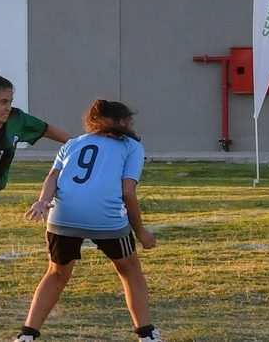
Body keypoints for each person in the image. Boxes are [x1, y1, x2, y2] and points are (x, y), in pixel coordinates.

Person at [15, 99, 163, 341]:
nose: (131, 125)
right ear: (118, 121)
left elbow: (52, 177)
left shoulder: (73, 143)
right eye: (128, 120)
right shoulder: (131, 146)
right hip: (105, 217)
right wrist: (141, 232)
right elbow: (128, 192)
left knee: (56, 273)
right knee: (130, 270)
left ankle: (27, 335)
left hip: (63, 214)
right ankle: (146, 334)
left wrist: (43, 201)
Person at [0, 68, 69, 225]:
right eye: (3, 102)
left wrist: (82, 144)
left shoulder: (16, 120)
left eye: (10, 102)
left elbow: (47, 130)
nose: (8, 107)